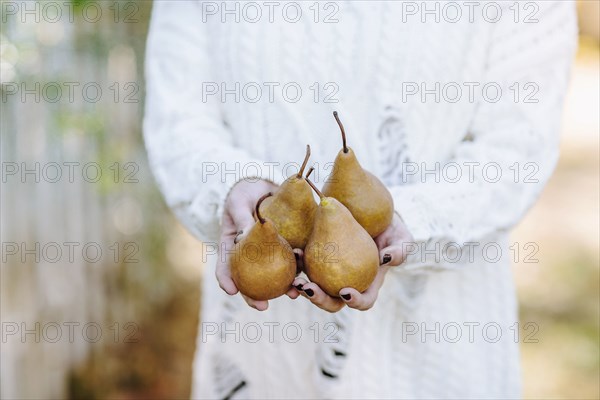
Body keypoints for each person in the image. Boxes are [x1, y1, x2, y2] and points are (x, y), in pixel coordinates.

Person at [144, 1, 577, 398]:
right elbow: (177, 121)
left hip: (442, 350)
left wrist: (410, 223)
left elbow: (517, 145)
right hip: (262, 358)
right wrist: (232, 190)